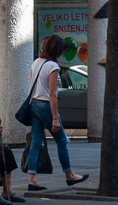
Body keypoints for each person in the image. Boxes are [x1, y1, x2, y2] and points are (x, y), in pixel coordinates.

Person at [25, 34, 89, 191]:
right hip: (45, 106)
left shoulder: (36, 62)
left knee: (35, 143)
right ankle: (69, 175)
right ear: (58, 51)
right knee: (61, 140)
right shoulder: (53, 67)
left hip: (34, 104)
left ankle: (32, 179)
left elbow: (32, 84)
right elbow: (52, 93)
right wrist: (55, 117)